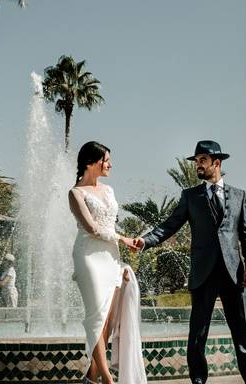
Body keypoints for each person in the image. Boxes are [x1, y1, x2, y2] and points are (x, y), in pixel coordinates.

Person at [132, 140, 246, 384]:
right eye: (196, 161)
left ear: (216, 163)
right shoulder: (190, 196)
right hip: (203, 273)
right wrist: (145, 240)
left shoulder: (239, 195)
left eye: (203, 160)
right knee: (198, 334)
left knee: (243, 333)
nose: (198, 165)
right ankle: (198, 381)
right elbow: (169, 225)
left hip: (233, 274)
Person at [68, 141, 145, 384]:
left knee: (107, 323)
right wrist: (124, 239)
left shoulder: (109, 190)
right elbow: (92, 228)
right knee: (95, 318)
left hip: (111, 257)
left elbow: (109, 225)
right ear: (91, 162)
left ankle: (91, 376)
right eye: (106, 160)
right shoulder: (75, 193)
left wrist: (120, 256)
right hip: (89, 258)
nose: (110, 165)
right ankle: (108, 380)